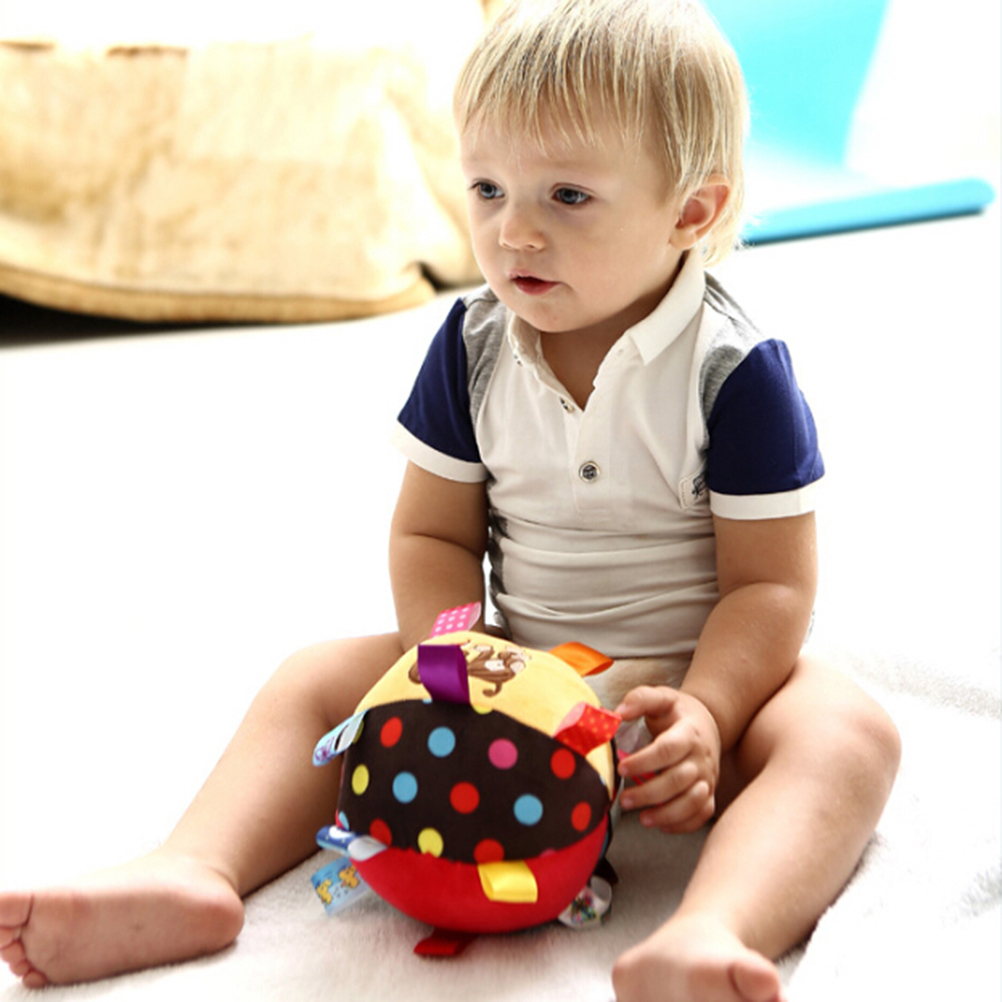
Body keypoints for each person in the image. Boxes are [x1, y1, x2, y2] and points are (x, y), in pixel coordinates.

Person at [0, 2, 900, 1000]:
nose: (514, 230)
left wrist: (710, 711)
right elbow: (431, 530)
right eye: (487, 188)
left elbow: (771, 587)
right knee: (316, 678)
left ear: (689, 212)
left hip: (687, 689)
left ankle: (711, 932)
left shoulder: (734, 371)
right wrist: (453, 660)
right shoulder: (473, 345)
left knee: (847, 733)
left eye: (567, 195)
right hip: (513, 665)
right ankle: (193, 868)